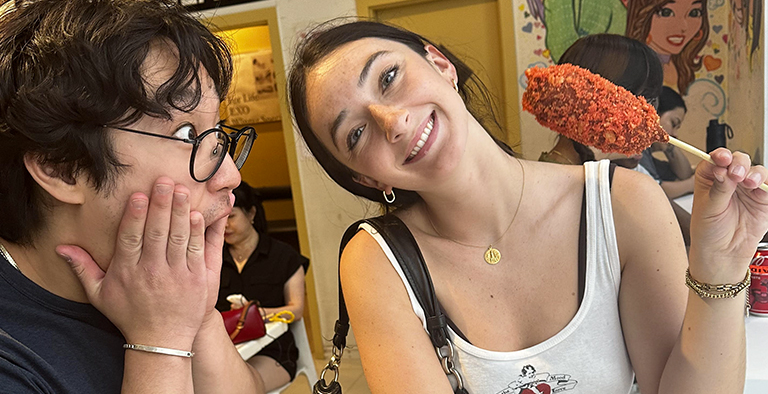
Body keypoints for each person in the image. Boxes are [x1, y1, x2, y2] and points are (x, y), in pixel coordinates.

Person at [288, 20, 768, 394]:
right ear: (366, 179)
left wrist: (720, 267)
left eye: (389, 77)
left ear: (440, 65)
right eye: (355, 133)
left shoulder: (624, 205)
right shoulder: (377, 263)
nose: (392, 122)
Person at [0, 0, 268, 393]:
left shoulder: (156, 280)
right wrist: (160, 342)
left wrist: (197, 315)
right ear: (62, 168)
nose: (230, 174)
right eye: (187, 134)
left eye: (216, 131)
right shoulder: (13, 361)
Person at [217, 181, 309, 391]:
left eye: (231, 217)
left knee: (238, 387)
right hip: (226, 348)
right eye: (219, 219)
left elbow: (296, 310)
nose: (224, 226)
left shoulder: (283, 256)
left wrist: (254, 315)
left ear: (251, 213)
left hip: (272, 350)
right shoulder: (213, 259)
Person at [539, 34, 663, 166]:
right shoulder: (550, 176)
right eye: (639, 105)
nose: (648, 125)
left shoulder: (605, 172)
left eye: (650, 104)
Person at [625, 0, 709, 95]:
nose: (683, 26)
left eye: (694, 13)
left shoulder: (682, 67)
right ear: (643, 15)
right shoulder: (634, 70)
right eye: (666, 12)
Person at [637, 86, 695, 199]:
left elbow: (684, 174)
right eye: (673, 124)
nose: (675, 133)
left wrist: (670, 145)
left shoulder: (648, 156)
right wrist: (692, 184)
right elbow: (655, 190)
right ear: (654, 113)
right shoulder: (637, 150)